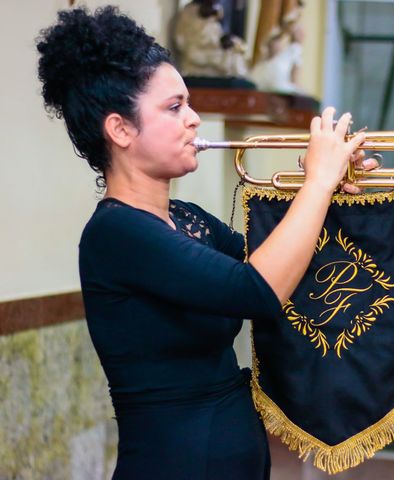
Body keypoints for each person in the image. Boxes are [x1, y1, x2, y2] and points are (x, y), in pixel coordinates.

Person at [36, 6, 374, 480]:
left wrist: (330, 193)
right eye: (174, 107)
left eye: (188, 104)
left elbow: (293, 269)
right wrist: (316, 184)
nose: (194, 119)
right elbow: (253, 290)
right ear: (120, 129)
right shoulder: (115, 234)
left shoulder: (187, 219)